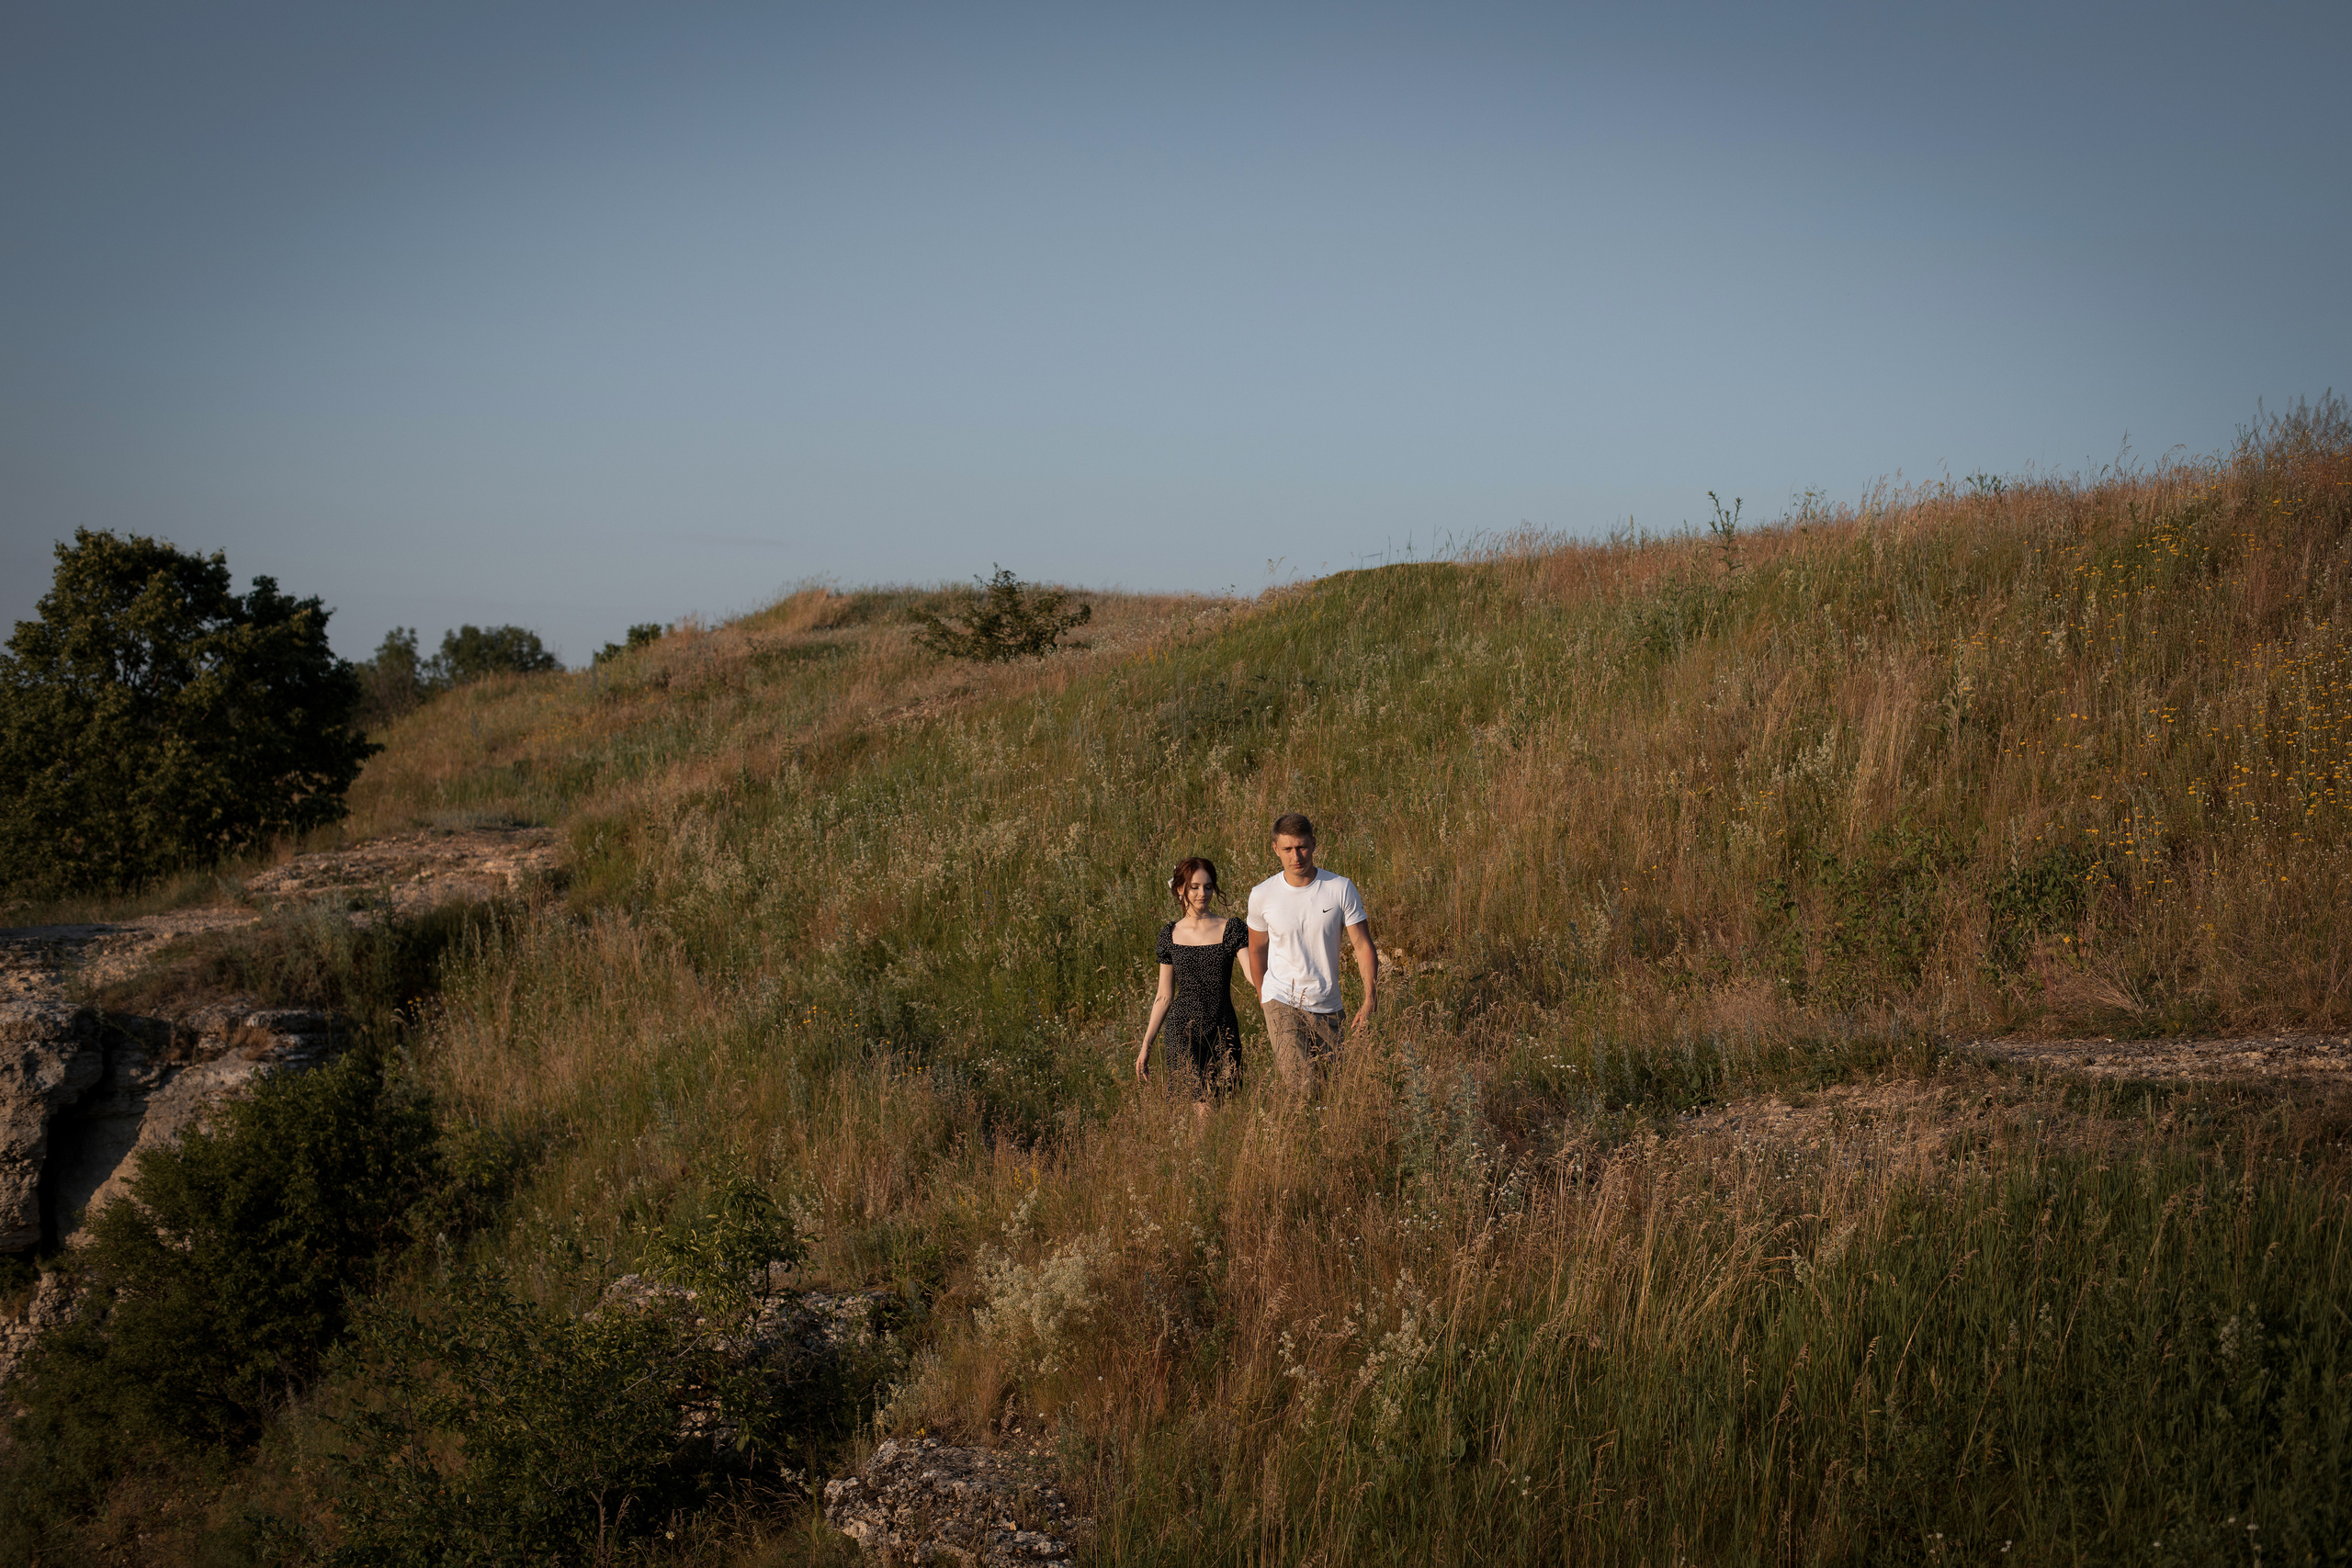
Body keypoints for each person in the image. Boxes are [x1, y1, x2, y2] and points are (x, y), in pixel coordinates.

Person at [1244, 813, 1375, 1091]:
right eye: (1288, 849)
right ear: (1275, 849)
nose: (1296, 856)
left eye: (1302, 847)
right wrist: (1263, 996)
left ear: (1314, 844)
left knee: (1333, 1091)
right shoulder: (1262, 894)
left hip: (1328, 1004)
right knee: (1303, 1087)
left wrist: (1369, 998)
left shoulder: (1340, 888)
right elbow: (1256, 949)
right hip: (1281, 999)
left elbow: (1363, 946)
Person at [1134, 856, 1249, 1118]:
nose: (1202, 893)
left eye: (1208, 887)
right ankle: (1201, 1156)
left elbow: (1253, 975)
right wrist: (1146, 1045)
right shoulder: (1170, 934)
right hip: (1183, 1028)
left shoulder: (1231, 928)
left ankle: (1208, 1155)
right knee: (1202, 1103)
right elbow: (1164, 996)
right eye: (1194, 887)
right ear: (1179, 889)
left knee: (1223, 1105)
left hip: (1222, 1025)